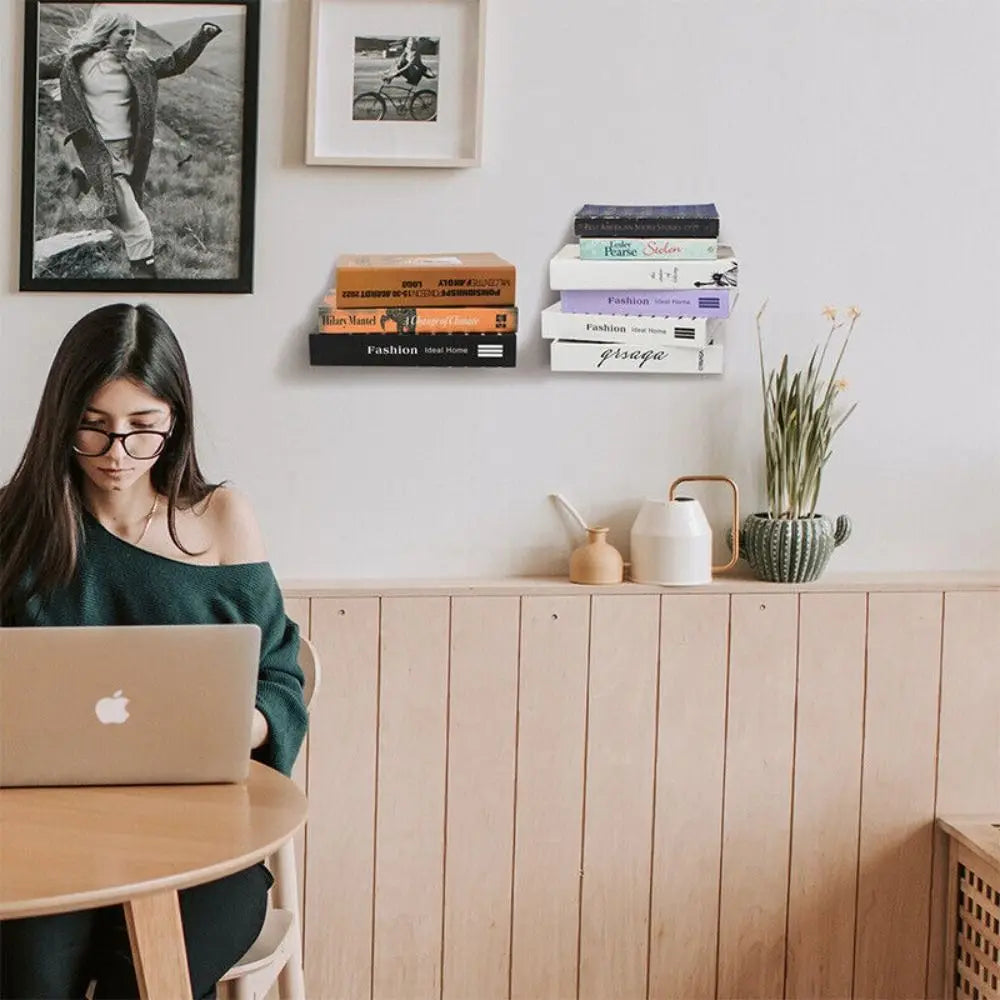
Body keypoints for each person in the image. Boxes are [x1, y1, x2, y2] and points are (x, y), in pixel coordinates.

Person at [0, 303, 308, 1000]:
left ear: (175, 422)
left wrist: (241, 722)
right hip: (42, 837)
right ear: (60, 419)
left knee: (145, 982)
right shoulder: (14, 528)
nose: (117, 455)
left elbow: (281, 677)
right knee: (30, 978)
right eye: (94, 427)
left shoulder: (222, 519)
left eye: (143, 430)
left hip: (207, 843)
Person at [38, 9, 223, 278]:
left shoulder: (140, 62)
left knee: (117, 213)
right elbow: (24, 63)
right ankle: (145, 273)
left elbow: (175, 63)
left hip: (133, 153)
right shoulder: (75, 61)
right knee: (135, 224)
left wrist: (201, 38)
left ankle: (83, 191)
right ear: (107, 33)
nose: (130, 38)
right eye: (124, 32)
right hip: (101, 152)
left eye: (133, 33)